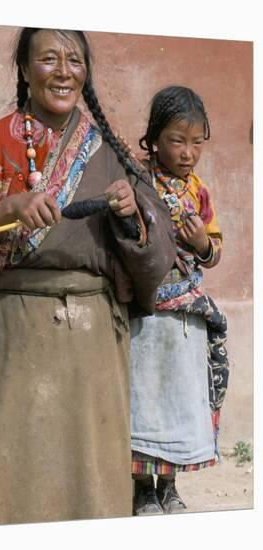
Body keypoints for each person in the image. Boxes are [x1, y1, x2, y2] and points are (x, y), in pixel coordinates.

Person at [0, 27, 176, 528]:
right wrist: (8, 208)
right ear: (23, 69)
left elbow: (159, 246)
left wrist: (131, 217)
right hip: (6, 339)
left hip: (90, 353)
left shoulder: (108, 147)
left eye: (75, 61)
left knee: (86, 483)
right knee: (5, 478)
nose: (64, 72)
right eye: (48, 59)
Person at [130, 85, 229, 515]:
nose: (187, 153)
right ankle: (140, 487)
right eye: (176, 140)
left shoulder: (199, 192)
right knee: (142, 397)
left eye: (196, 143)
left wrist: (201, 241)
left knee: (173, 398)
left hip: (185, 315)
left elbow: (216, 249)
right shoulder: (137, 179)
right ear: (153, 138)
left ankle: (167, 486)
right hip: (144, 312)